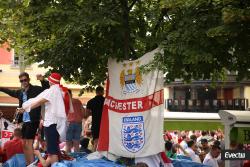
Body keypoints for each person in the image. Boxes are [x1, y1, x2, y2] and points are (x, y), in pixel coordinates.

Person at [0, 72, 49, 165]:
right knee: (24, 143)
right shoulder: (20, 92)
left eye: (25, 80)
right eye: (21, 81)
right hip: (25, 121)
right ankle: (28, 163)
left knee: (29, 143)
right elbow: (10, 91)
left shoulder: (35, 89)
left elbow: (46, 89)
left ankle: (31, 164)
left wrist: (42, 80)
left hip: (33, 119)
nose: (23, 82)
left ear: (28, 80)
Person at [20, 72, 68, 166]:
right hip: (52, 124)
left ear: (50, 81)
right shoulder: (57, 90)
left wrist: (25, 109)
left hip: (51, 124)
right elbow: (39, 99)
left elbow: (39, 101)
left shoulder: (53, 91)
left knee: (52, 152)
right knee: (52, 151)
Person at [86, 86, 105, 151]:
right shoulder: (106, 101)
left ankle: (94, 154)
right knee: (105, 140)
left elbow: (87, 114)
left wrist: (94, 113)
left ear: (96, 92)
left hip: (95, 123)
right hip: (105, 123)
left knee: (96, 140)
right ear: (102, 92)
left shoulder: (90, 101)